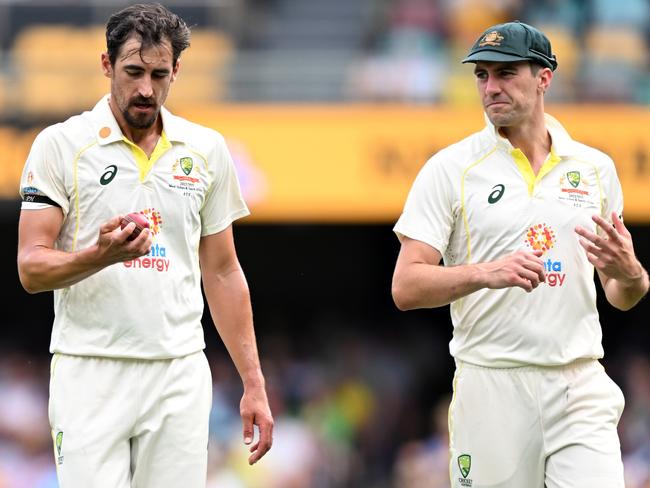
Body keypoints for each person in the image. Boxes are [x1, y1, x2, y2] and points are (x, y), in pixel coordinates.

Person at [16, 3, 273, 487]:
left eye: (159, 74)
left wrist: (253, 384)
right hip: (90, 370)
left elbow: (222, 272)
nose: (145, 89)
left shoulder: (206, 150)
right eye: (133, 71)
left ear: (176, 70)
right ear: (107, 65)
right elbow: (30, 268)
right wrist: (100, 255)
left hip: (179, 373)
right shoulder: (61, 144)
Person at [391, 20, 649, 488]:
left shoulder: (594, 169)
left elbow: (620, 293)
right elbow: (406, 286)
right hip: (492, 383)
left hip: (578, 383)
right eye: (482, 76)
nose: (491, 87)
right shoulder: (450, 169)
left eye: (506, 74)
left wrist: (632, 274)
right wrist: (487, 273)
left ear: (544, 77)